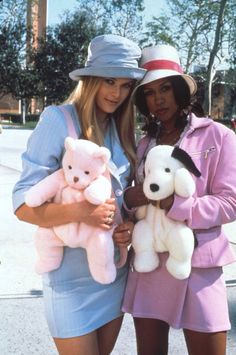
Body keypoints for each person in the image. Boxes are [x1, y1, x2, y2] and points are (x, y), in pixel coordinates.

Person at [12, 34, 146, 355]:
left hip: (111, 272)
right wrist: (83, 213)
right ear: (90, 80)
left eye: (126, 84)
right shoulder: (58, 120)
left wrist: (126, 226)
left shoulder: (121, 128)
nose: (117, 93)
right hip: (68, 281)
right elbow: (22, 203)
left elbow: (117, 201)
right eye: (109, 81)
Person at [122, 44, 236, 355]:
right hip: (150, 265)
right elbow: (137, 202)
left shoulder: (219, 136)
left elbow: (230, 202)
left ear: (181, 92)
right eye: (149, 92)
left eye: (166, 88)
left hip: (198, 264)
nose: (158, 99)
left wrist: (178, 205)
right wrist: (128, 202)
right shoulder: (144, 144)